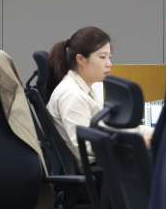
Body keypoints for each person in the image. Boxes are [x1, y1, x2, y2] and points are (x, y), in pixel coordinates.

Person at [45, 26, 154, 166]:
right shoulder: (71, 95)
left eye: (109, 57)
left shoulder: (85, 89)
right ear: (81, 59)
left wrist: (158, 132)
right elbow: (87, 146)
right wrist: (138, 142)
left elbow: (112, 128)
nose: (109, 64)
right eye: (102, 57)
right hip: (100, 172)